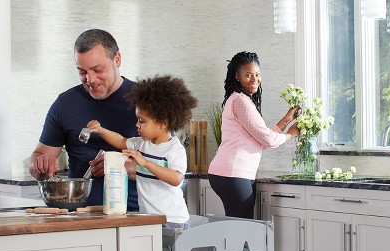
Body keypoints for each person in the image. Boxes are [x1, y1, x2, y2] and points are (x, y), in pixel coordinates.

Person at [29, 29, 139, 210]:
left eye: (98, 70)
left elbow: (171, 170)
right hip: (79, 217)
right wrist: (39, 166)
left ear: (117, 59)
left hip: (137, 216)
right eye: (82, 72)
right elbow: (39, 157)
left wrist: (117, 166)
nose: (90, 80)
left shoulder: (147, 101)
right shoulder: (65, 104)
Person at [86, 75, 197, 228]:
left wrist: (145, 163)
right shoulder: (142, 143)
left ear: (163, 123)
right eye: (137, 120)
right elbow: (120, 141)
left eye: (142, 121)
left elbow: (176, 178)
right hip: (150, 219)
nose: (137, 125)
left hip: (173, 220)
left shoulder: (174, 149)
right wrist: (100, 130)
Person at [208, 51, 300, 219]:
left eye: (257, 74)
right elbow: (268, 140)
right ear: (237, 76)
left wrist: (287, 119)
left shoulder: (239, 100)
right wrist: (291, 134)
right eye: (248, 75)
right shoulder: (240, 101)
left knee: (238, 228)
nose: (254, 79)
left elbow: (262, 139)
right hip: (233, 174)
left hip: (229, 173)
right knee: (242, 229)